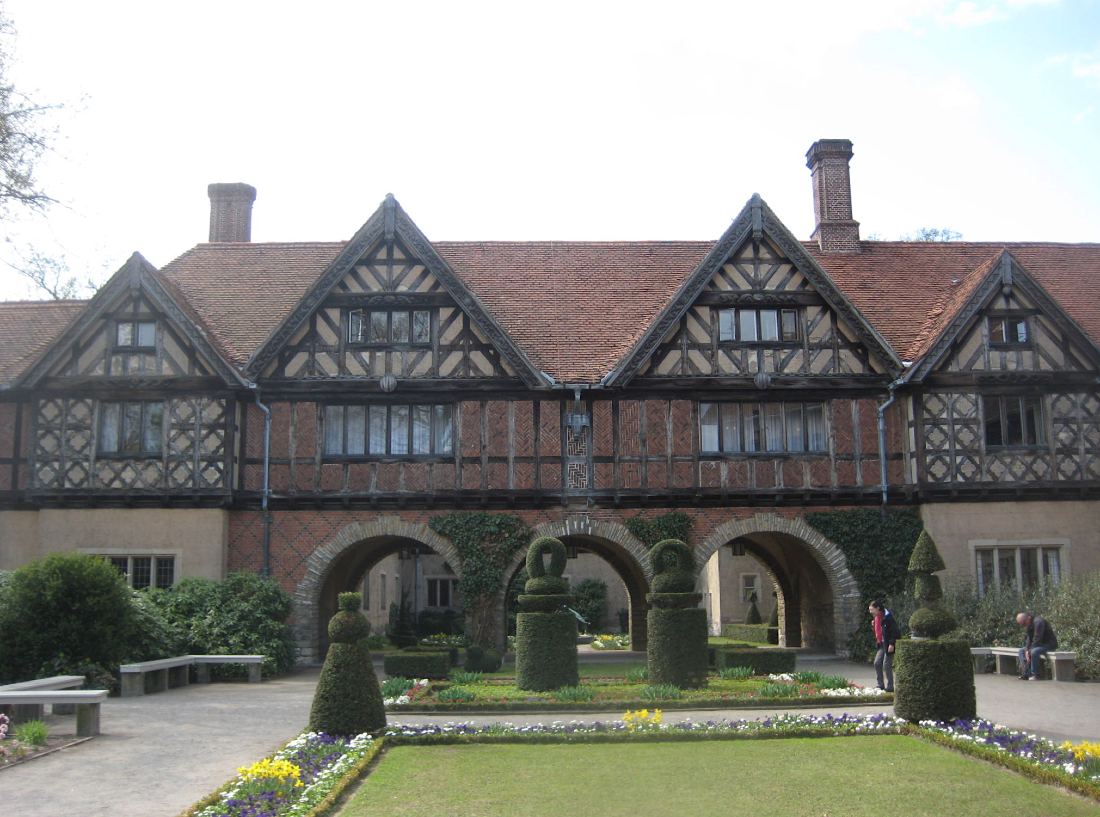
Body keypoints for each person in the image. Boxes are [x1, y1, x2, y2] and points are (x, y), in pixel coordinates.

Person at [869, 600, 900, 692]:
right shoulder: (876, 618)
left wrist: (892, 644)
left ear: (878, 608)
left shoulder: (888, 618)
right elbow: (879, 632)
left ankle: (890, 687)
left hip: (888, 644)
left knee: (886, 665)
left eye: (872, 610)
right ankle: (880, 685)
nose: (870, 612)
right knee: (877, 663)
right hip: (881, 644)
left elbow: (895, 632)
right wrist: (874, 626)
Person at [1016, 612, 1058, 681]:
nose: (1023, 625)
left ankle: (1035, 675)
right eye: (1021, 624)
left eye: (1023, 623)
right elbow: (1029, 639)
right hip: (1038, 645)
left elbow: (1037, 638)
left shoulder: (1039, 622)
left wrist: (1029, 651)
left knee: (1034, 651)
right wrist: (1027, 650)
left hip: (1048, 644)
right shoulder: (1029, 624)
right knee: (1021, 651)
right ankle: (1026, 673)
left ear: (1028, 618)